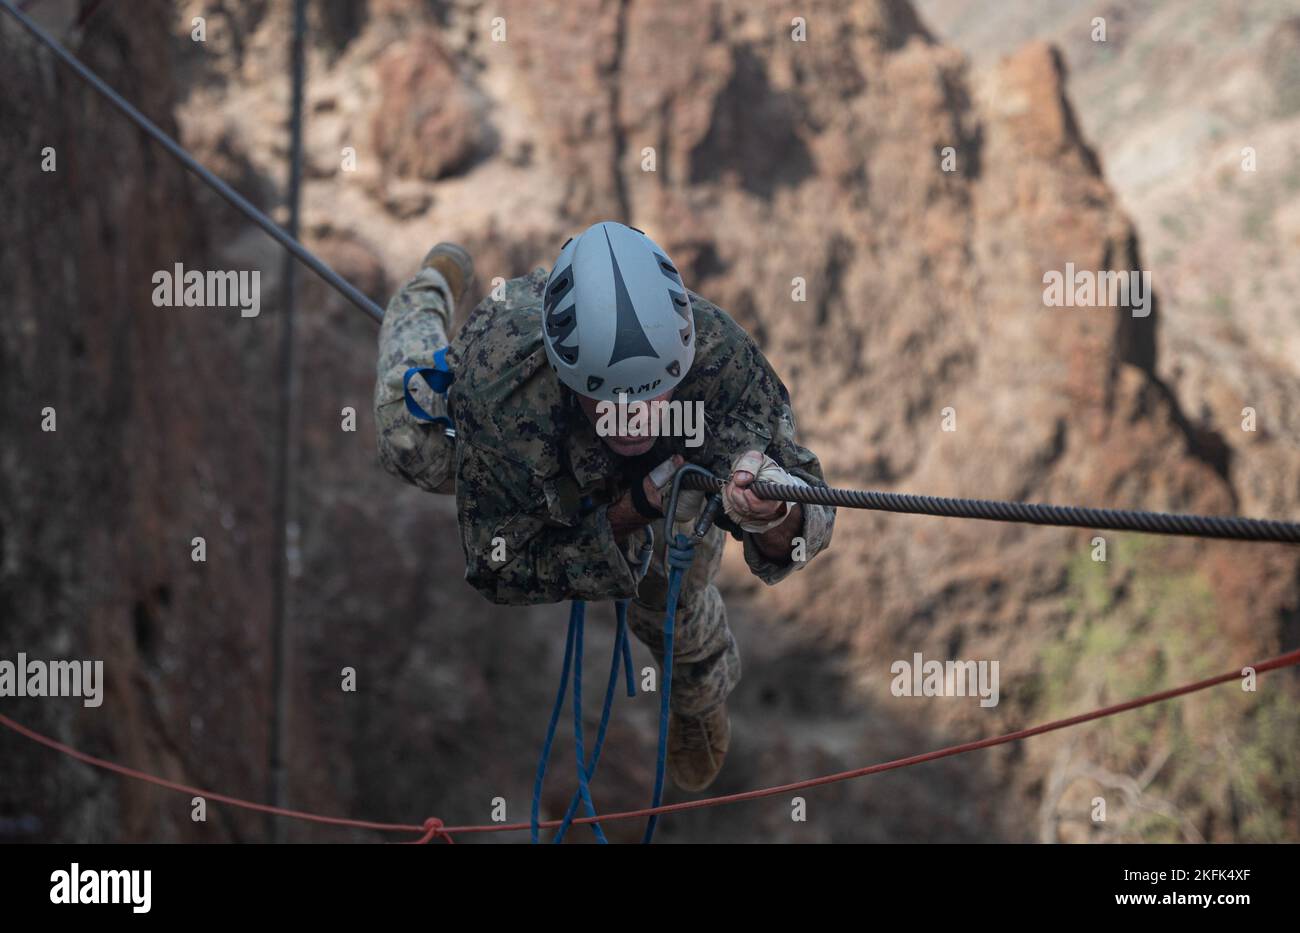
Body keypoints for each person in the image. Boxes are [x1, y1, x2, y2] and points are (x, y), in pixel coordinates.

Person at [374, 221, 835, 791]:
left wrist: (771, 512)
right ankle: (429, 290)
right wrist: (630, 511)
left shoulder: (718, 358)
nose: (637, 417)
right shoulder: (499, 383)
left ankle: (697, 699)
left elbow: (806, 511)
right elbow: (499, 566)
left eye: (653, 393)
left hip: (674, 476)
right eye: (614, 401)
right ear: (571, 375)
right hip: (536, 458)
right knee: (405, 443)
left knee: (671, 597)